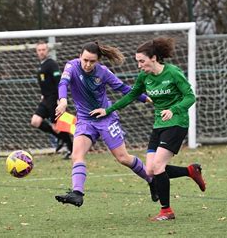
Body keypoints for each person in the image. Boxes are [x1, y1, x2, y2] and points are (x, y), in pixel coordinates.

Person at [90, 36, 206, 221]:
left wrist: (173, 109)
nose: (139, 65)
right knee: (151, 170)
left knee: (158, 166)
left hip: (177, 123)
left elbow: (190, 97)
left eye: (141, 61)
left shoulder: (173, 73)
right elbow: (131, 95)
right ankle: (190, 171)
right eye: (137, 61)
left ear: (154, 58)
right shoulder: (144, 76)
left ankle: (166, 211)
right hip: (159, 124)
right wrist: (108, 110)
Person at [54, 41, 154, 207]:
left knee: (123, 158)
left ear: (98, 61)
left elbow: (123, 88)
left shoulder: (103, 72)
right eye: (85, 60)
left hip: (106, 118)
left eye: (92, 61)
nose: (87, 64)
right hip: (85, 120)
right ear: (80, 56)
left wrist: (144, 98)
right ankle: (77, 193)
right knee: (76, 155)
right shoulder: (71, 67)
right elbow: (63, 83)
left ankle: (152, 180)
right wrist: (63, 100)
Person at [30, 41, 73, 160]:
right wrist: (43, 95)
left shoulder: (51, 64)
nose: (41, 52)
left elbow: (59, 82)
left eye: (43, 49)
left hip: (53, 99)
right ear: (36, 52)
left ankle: (72, 149)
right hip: (45, 99)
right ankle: (61, 139)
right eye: (39, 50)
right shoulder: (42, 65)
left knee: (58, 127)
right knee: (35, 121)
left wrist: (60, 98)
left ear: (47, 51)